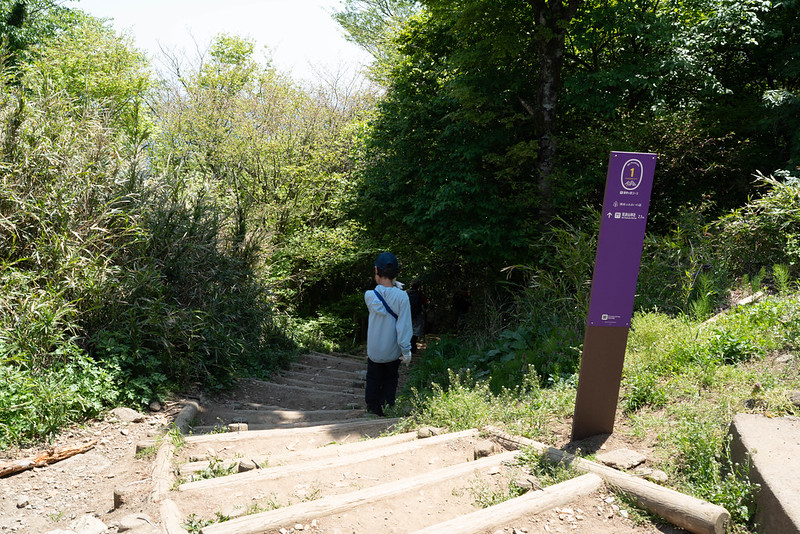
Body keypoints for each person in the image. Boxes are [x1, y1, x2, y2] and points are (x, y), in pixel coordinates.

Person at [364, 252, 412, 416]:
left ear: (376, 270)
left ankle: (372, 409)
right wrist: (406, 351)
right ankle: (387, 408)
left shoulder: (370, 296)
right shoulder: (402, 297)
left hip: (375, 351)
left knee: (373, 379)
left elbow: (382, 293)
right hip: (393, 351)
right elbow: (404, 326)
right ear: (396, 273)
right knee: (390, 379)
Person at [406, 279, 429, 354]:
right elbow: (425, 304)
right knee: (416, 331)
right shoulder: (421, 294)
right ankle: (413, 345)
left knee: (407, 330)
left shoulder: (406, 293)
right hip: (417, 314)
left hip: (407, 315)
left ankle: (408, 346)